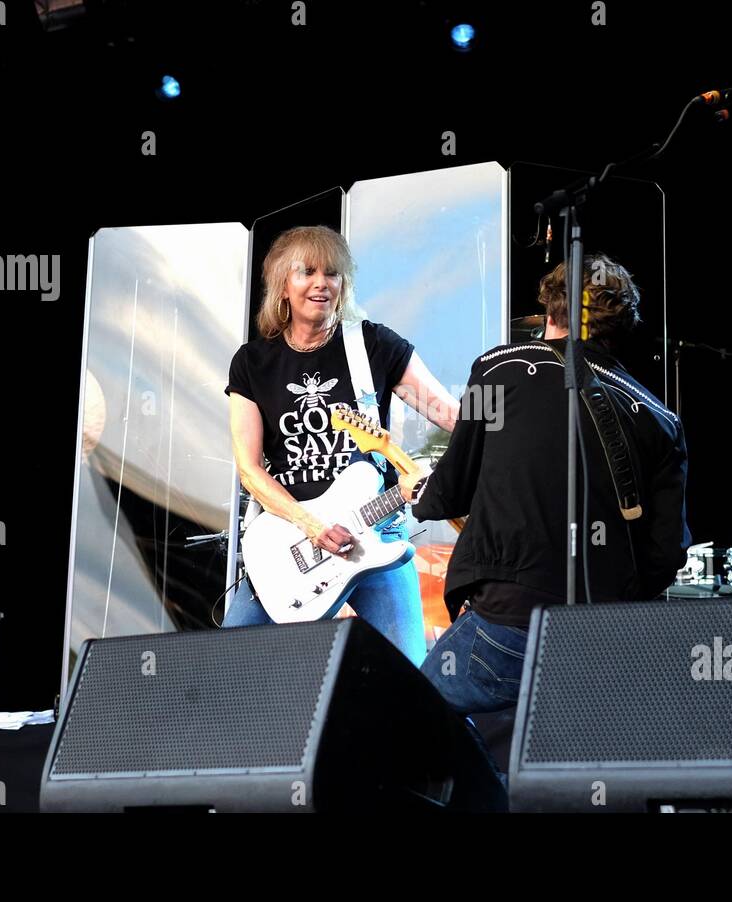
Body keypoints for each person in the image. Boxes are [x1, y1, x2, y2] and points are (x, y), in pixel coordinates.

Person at [403, 254, 691, 710]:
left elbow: (450, 489)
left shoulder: (495, 370)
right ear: (621, 323)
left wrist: (419, 489)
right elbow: (666, 553)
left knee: (411, 719)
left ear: (550, 308)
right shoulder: (661, 420)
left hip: (510, 619)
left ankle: (492, 784)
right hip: (606, 638)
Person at [223, 225, 458, 665]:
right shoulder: (253, 363)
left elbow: (451, 419)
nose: (321, 283)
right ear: (282, 286)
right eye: (306, 272)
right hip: (288, 539)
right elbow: (249, 469)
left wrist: (506, 421)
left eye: (332, 273)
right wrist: (312, 526)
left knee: (407, 681)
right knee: (230, 667)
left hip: (376, 531)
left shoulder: (373, 345)